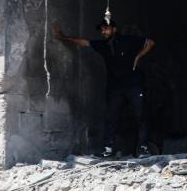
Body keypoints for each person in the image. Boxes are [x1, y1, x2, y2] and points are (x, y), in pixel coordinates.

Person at [55, 19, 154, 157]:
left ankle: (143, 147)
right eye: (102, 29)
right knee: (111, 116)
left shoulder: (128, 40)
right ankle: (108, 148)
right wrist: (63, 37)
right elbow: (84, 42)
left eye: (106, 28)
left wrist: (138, 57)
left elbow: (150, 43)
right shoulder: (102, 45)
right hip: (115, 87)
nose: (103, 32)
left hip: (134, 85)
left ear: (114, 29)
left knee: (141, 115)